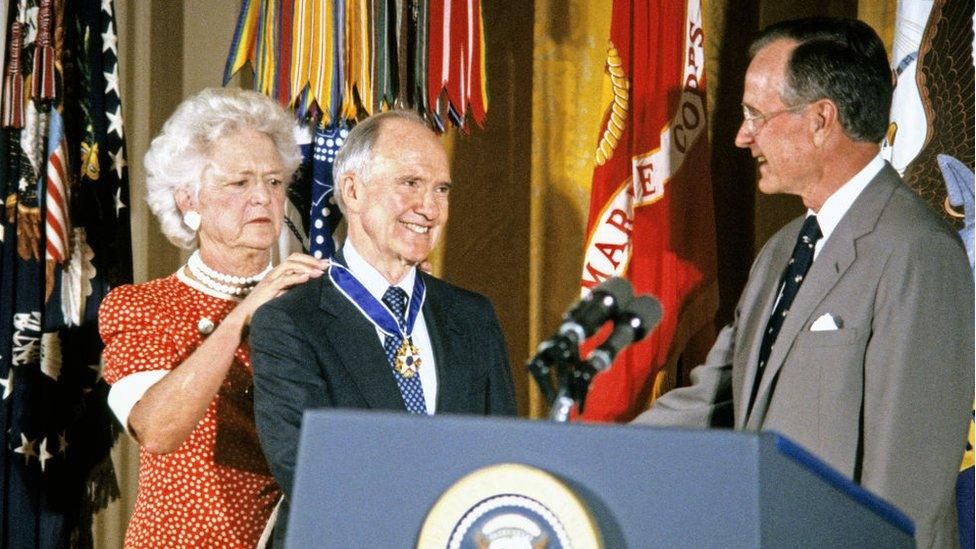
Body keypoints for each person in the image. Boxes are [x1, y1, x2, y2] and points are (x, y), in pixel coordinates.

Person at [632, 17, 973, 548]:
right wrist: (581, 458)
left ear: (820, 120)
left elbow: (907, 498)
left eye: (755, 116)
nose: (742, 136)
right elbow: (714, 400)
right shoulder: (781, 251)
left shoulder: (918, 254)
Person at [250, 110, 517, 543]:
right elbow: (306, 469)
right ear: (352, 191)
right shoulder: (291, 321)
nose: (429, 208)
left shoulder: (472, 317)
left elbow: (503, 458)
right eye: (410, 184)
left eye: (441, 189)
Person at [99, 87, 328, 547]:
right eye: (239, 183)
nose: (263, 198)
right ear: (189, 201)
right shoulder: (143, 307)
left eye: (274, 182)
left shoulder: (312, 304)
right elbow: (157, 430)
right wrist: (241, 315)